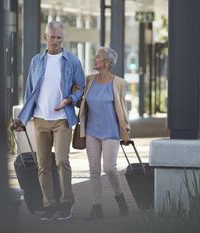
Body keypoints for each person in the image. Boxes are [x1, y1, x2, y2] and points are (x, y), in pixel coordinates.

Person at [12, 21, 85, 221]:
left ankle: (66, 203)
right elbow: (29, 92)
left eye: (59, 37)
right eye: (52, 37)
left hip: (62, 119)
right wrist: (22, 118)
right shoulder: (36, 61)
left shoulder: (72, 61)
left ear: (63, 38)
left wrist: (70, 99)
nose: (55, 41)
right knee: (42, 164)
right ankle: (49, 204)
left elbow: (80, 87)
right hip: (40, 120)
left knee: (62, 161)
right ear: (46, 38)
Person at [78, 46, 130, 221]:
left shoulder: (119, 83)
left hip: (111, 132)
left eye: (98, 57)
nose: (94, 60)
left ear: (107, 62)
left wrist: (126, 131)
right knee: (93, 170)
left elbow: (122, 109)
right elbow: (82, 102)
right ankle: (96, 206)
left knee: (109, 168)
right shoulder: (89, 80)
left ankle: (119, 197)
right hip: (91, 130)